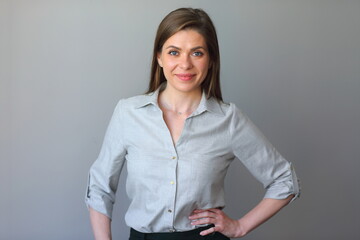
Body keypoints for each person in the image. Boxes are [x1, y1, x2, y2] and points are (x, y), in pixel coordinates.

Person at [85, 7, 300, 240]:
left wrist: (240, 227)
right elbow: (99, 188)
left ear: (210, 60)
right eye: (174, 52)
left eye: (196, 53)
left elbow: (284, 181)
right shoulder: (128, 113)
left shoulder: (228, 120)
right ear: (159, 57)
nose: (185, 64)